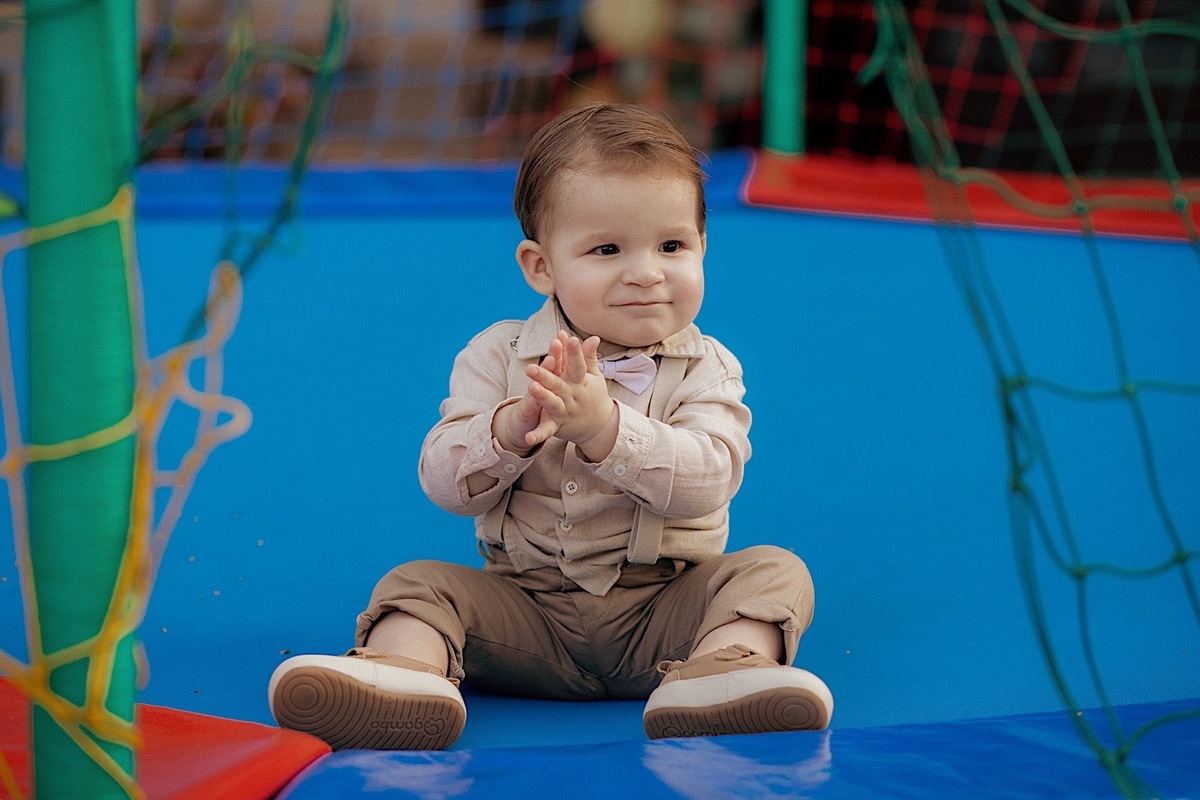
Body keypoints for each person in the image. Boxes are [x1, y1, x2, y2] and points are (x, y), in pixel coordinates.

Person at [268, 102, 833, 751]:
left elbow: (710, 479)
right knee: (415, 583)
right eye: (607, 249)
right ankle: (405, 676)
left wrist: (605, 430)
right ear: (541, 267)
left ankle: (719, 673)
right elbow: (444, 485)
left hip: (664, 615)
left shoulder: (709, 368)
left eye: (672, 245)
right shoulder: (497, 357)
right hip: (526, 619)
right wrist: (509, 430)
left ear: (703, 246)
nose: (646, 272)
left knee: (776, 572)